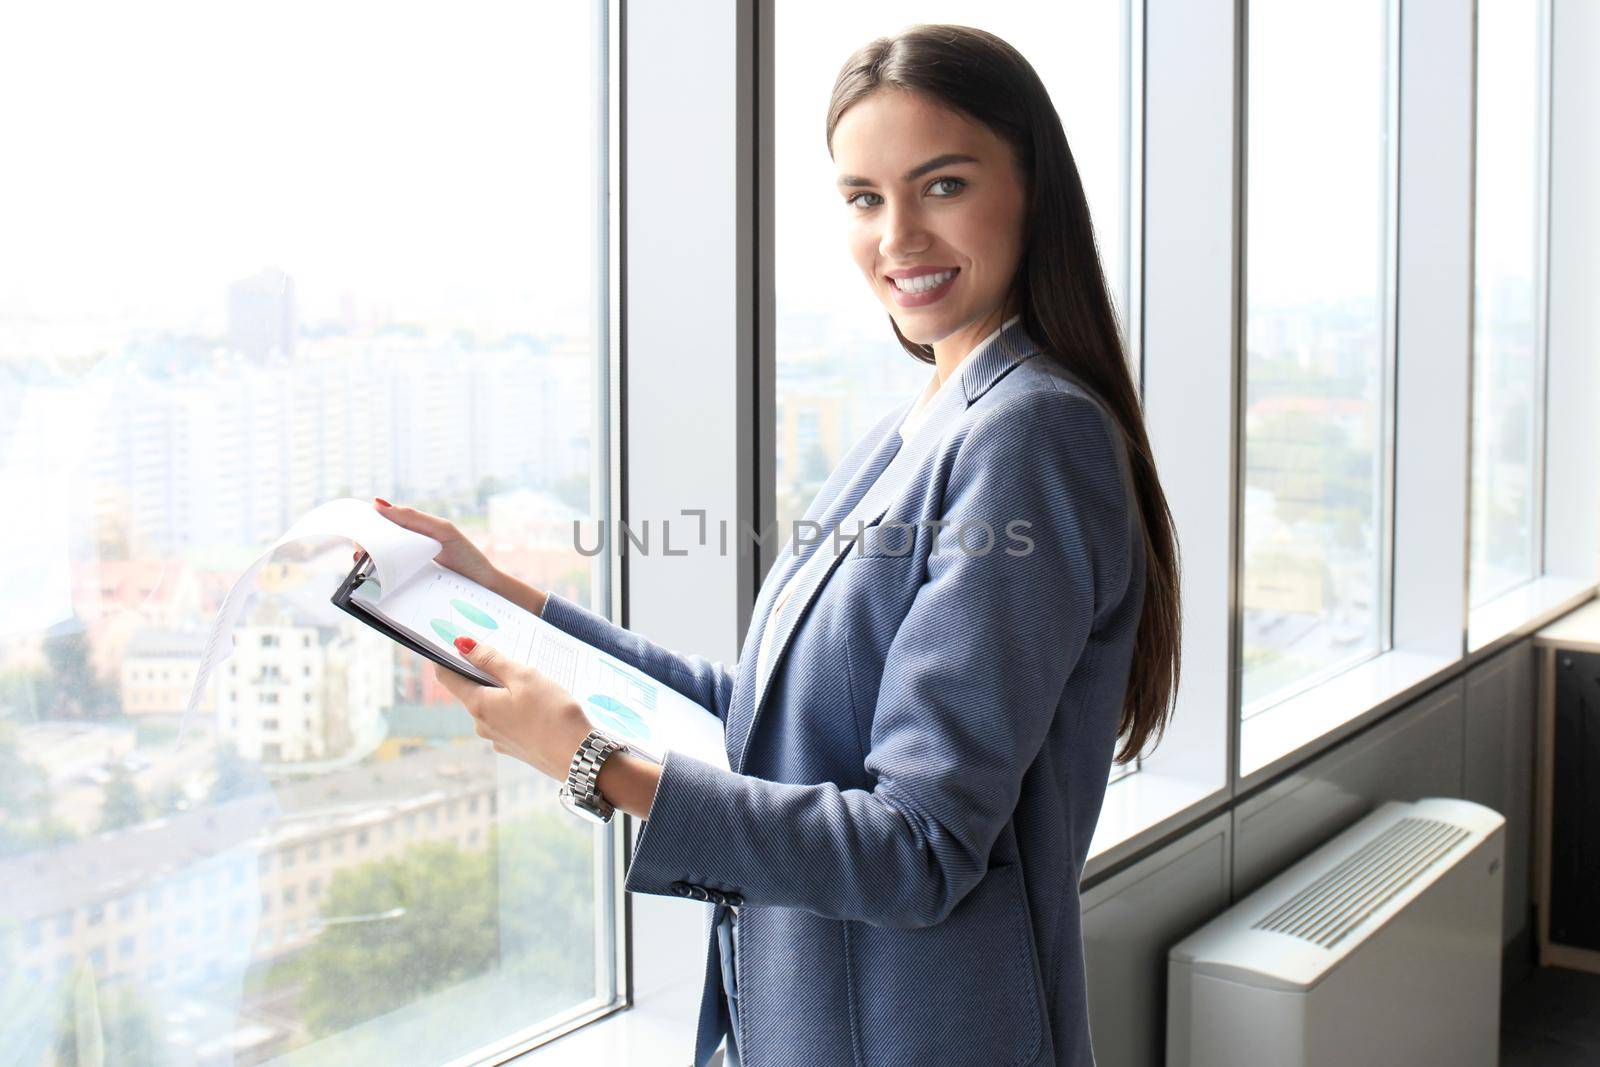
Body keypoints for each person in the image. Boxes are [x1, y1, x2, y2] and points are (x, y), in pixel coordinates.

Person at [374, 23, 1181, 1067]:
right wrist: (504, 600)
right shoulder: (924, 420)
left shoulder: (1029, 433)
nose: (896, 236)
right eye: (862, 198)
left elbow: (919, 848)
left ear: (1032, 188)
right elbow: (771, 716)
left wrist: (594, 764)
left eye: (940, 186)